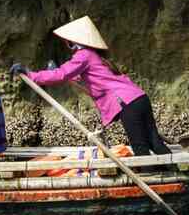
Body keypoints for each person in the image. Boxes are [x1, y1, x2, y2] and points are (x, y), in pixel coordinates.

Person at [13, 15, 171, 156]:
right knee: (154, 140)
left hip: (127, 103)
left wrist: (30, 74)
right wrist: (58, 74)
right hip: (139, 98)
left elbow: (61, 74)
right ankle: (173, 169)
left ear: (74, 42)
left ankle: (150, 178)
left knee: (140, 145)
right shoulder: (96, 56)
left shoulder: (84, 55)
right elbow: (80, 77)